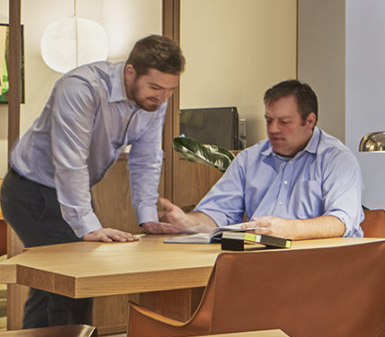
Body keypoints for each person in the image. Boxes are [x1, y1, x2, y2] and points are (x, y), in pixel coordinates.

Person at [1, 34, 184, 328]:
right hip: (31, 191)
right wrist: (89, 227)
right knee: (73, 284)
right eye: (155, 88)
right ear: (130, 72)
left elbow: (147, 158)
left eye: (170, 91)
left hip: (70, 191)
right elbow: (70, 161)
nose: (162, 98)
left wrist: (147, 216)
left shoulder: (153, 102)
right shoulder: (80, 88)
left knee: (50, 286)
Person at [150, 79, 365, 240]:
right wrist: (187, 222)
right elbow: (218, 213)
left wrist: (291, 230)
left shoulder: (337, 160)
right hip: (263, 268)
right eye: (269, 120)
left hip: (324, 270)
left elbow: (341, 221)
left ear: (309, 121)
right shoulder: (249, 159)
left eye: (284, 122)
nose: (273, 129)